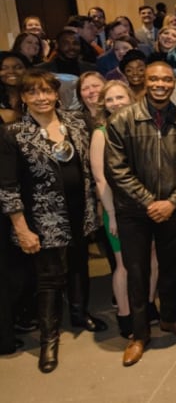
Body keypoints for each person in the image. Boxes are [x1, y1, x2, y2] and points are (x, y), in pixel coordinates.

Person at [0, 70, 104, 373]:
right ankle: (49, 339)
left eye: (46, 91)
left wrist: (96, 207)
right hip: (41, 218)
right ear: (23, 98)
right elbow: (7, 186)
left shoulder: (77, 123)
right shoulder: (13, 133)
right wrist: (21, 228)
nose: (41, 98)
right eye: (33, 93)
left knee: (78, 265)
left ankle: (79, 313)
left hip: (79, 212)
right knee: (48, 278)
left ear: (57, 93)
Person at [106, 61, 176, 367]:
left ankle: (170, 319)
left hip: (172, 210)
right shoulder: (122, 120)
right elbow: (116, 170)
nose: (160, 84)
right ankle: (138, 334)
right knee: (137, 272)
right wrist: (150, 201)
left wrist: (171, 203)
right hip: (133, 212)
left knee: (172, 267)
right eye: (154, 79)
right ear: (143, 82)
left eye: (166, 79)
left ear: (174, 83)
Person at [90, 80, 160, 338]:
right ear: (103, 105)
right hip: (118, 208)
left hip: (147, 204)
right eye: (110, 99)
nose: (116, 103)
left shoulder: (143, 127)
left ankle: (150, 304)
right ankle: (125, 314)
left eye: (120, 97)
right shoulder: (101, 134)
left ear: (131, 99)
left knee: (152, 257)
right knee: (125, 265)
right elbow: (101, 179)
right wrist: (111, 215)